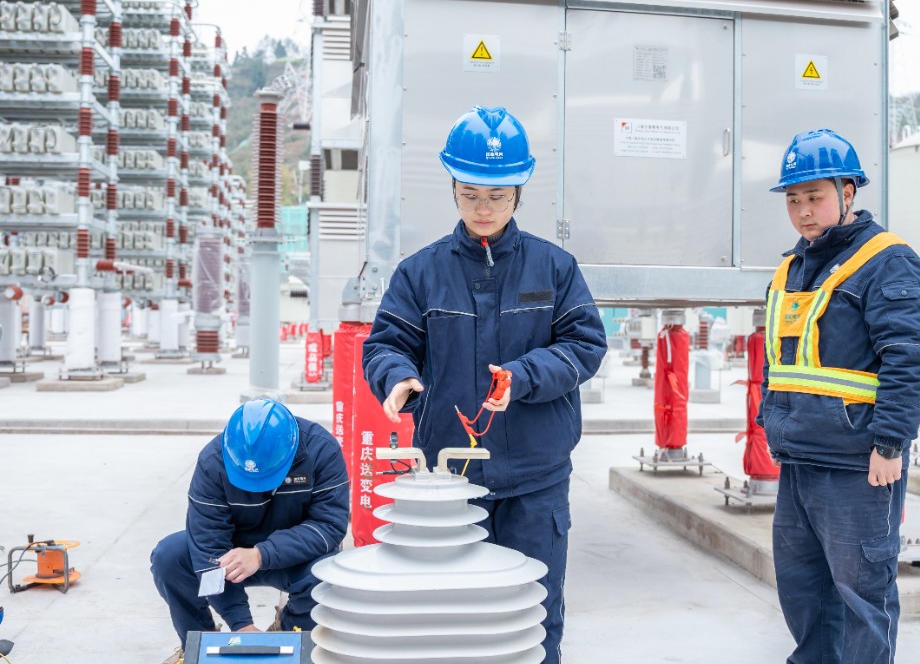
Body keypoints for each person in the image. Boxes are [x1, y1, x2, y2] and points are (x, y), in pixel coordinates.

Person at [361, 105, 607, 663]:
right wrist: (397, 378)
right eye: (471, 194)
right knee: (454, 618)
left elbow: (585, 346)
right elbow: (385, 345)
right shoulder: (418, 273)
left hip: (534, 480)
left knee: (533, 615)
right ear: (452, 188)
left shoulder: (555, 268)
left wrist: (522, 377)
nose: (484, 209)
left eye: (497, 196)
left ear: (519, 192)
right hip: (448, 482)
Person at [758, 129, 920, 663]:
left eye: (814, 197)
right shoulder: (791, 268)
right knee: (804, 593)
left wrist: (890, 444)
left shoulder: (888, 261)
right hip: (800, 460)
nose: (803, 211)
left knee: (864, 599)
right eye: (793, 199)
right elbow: (779, 363)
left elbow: (908, 356)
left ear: (849, 192)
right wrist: (775, 423)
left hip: (859, 465)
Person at [151, 399, 349, 664]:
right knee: (170, 556)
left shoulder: (321, 450)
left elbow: (329, 526)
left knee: (329, 572)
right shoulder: (213, 461)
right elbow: (208, 548)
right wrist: (241, 624)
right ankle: (200, 645)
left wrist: (261, 554)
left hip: (294, 556)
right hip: (231, 559)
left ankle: (288, 635)